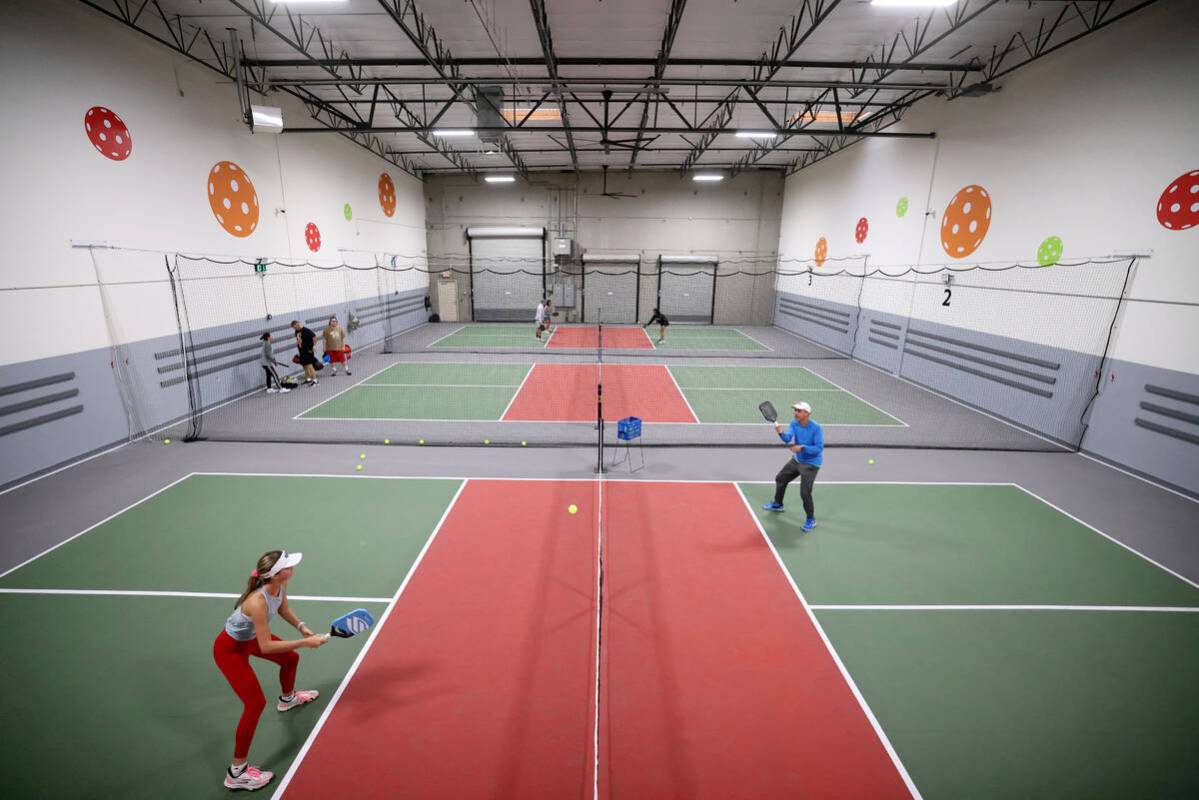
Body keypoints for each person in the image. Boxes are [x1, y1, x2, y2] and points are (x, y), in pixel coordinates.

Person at [213, 550, 327, 791]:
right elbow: (266, 646)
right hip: (230, 650)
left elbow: (284, 609)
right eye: (288, 566)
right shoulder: (257, 601)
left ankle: (287, 699)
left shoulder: (279, 586)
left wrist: (302, 627)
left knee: (290, 659)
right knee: (254, 704)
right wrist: (306, 642)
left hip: (250, 639)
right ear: (275, 574)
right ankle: (237, 773)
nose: (292, 567)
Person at [762, 401, 823, 531]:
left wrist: (802, 447)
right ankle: (778, 504)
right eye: (795, 410)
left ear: (807, 413)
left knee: (805, 493)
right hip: (797, 460)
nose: (795, 412)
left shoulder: (816, 428)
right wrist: (780, 433)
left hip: (811, 464)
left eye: (799, 411)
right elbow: (787, 439)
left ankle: (811, 520)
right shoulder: (794, 423)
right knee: (780, 478)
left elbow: (818, 448)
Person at [291, 320, 319, 386]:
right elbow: (299, 339)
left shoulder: (306, 330)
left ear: (298, 324)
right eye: (294, 328)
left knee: (309, 365)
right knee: (305, 365)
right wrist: (298, 343)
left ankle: (315, 380)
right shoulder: (296, 331)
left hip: (308, 350)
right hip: (302, 351)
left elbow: (314, 337)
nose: (295, 328)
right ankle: (308, 379)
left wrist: (314, 346)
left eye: (295, 327)